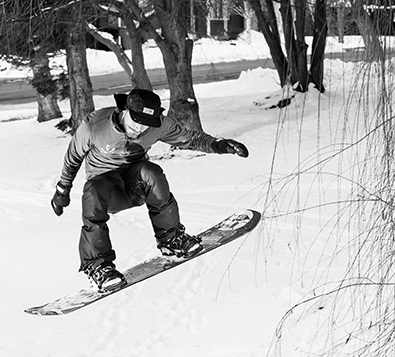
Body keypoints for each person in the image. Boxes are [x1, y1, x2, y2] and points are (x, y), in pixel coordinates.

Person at [50, 87, 249, 292]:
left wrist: (219, 145)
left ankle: (171, 240)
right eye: (136, 122)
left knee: (152, 172)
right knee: (92, 190)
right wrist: (62, 190)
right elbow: (72, 158)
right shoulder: (94, 126)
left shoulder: (157, 125)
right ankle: (98, 266)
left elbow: (189, 138)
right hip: (107, 192)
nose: (140, 129)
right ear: (124, 110)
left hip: (136, 186)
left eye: (146, 125)